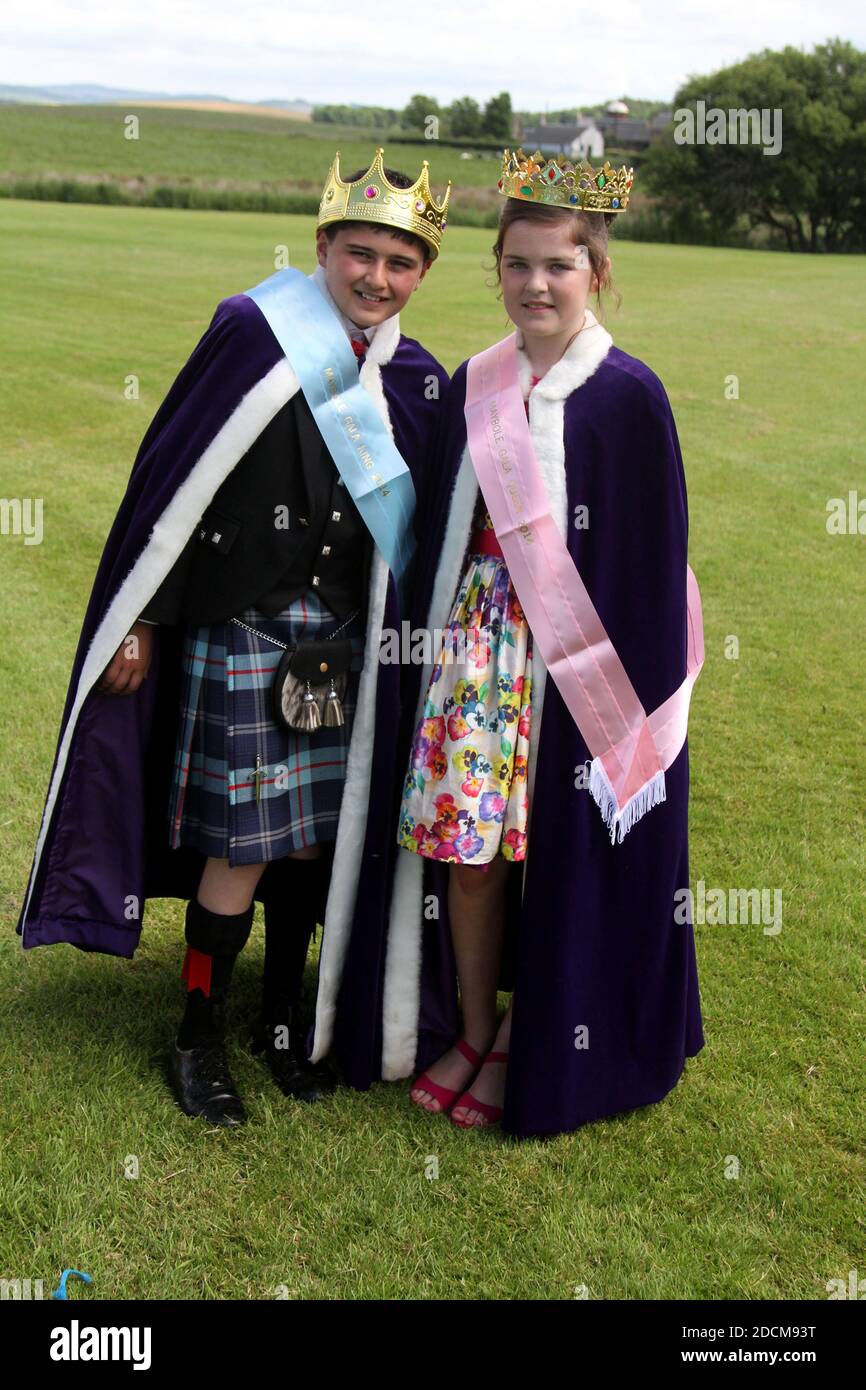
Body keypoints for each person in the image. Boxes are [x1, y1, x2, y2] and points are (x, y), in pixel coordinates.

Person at [16, 148, 451, 1127]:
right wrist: (141, 617)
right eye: (359, 253)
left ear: (422, 273)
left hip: (345, 642)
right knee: (242, 846)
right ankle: (198, 1032)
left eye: (400, 261)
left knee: (313, 849)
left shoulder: (416, 379)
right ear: (321, 246)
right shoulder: (253, 331)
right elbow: (170, 486)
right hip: (239, 624)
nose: (376, 277)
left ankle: (283, 1022)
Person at [338, 149, 705, 1139]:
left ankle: (539, 1039)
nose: (535, 284)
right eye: (517, 264)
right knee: (471, 855)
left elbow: (645, 566)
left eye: (558, 264)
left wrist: (630, 726)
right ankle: (471, 1024)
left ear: (596, 273)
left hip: (581, 674)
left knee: (560, 857)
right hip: (476, 660)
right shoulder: (475, 384)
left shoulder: (630, 397)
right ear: (494, 269)